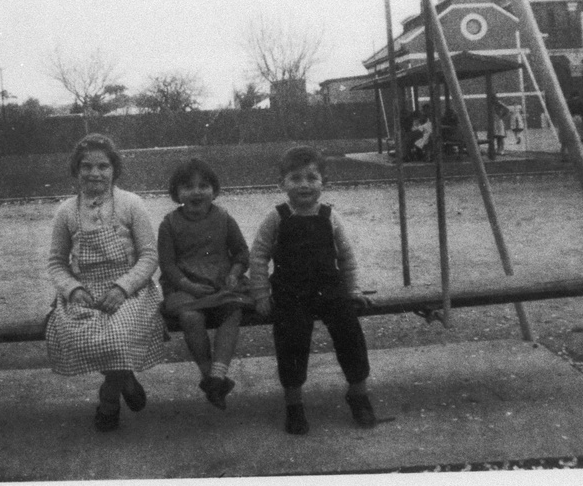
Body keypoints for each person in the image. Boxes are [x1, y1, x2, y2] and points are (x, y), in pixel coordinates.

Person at [249, 146, 376, 435]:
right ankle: (294, 403)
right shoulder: (276, 217)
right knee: (291, 340)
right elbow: (258, 257)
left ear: (323, 182)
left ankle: (358, 393)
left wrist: (353, 290)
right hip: (290, 291)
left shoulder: (330, 216)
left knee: (349, 333)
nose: (304, 185)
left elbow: (347, 257)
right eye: (295, 178)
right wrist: (261, 294)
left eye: (311, 177)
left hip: (329, 289)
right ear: (282, 184)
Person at [45, 133, 168, 432]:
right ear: (76, 170)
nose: (95, 173)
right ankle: (125, 379)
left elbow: (149, 256)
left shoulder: (131, 204)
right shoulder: (66, 211)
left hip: (130, 290)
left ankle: (109, 399)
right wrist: (73, 289)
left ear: (115, 169)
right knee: (80, 336)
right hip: (85, 291)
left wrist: (123, 287)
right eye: (86, 166)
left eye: (103, 166)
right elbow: (56, 263)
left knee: (120, 335)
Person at [158, 158, 252, 410]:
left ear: (214, 190)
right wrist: (189, 286)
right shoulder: (169, 223)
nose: (196, 192)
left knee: (232, 311)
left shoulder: (223, 218)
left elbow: (242, 252)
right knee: (190, 317)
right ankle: (208, 373)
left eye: (204, 186)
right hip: (184, 285)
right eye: (188, 187)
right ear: (177, 193)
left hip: (220, 283)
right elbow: (167, 264)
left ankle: (218, 376)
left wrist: (234, 273)